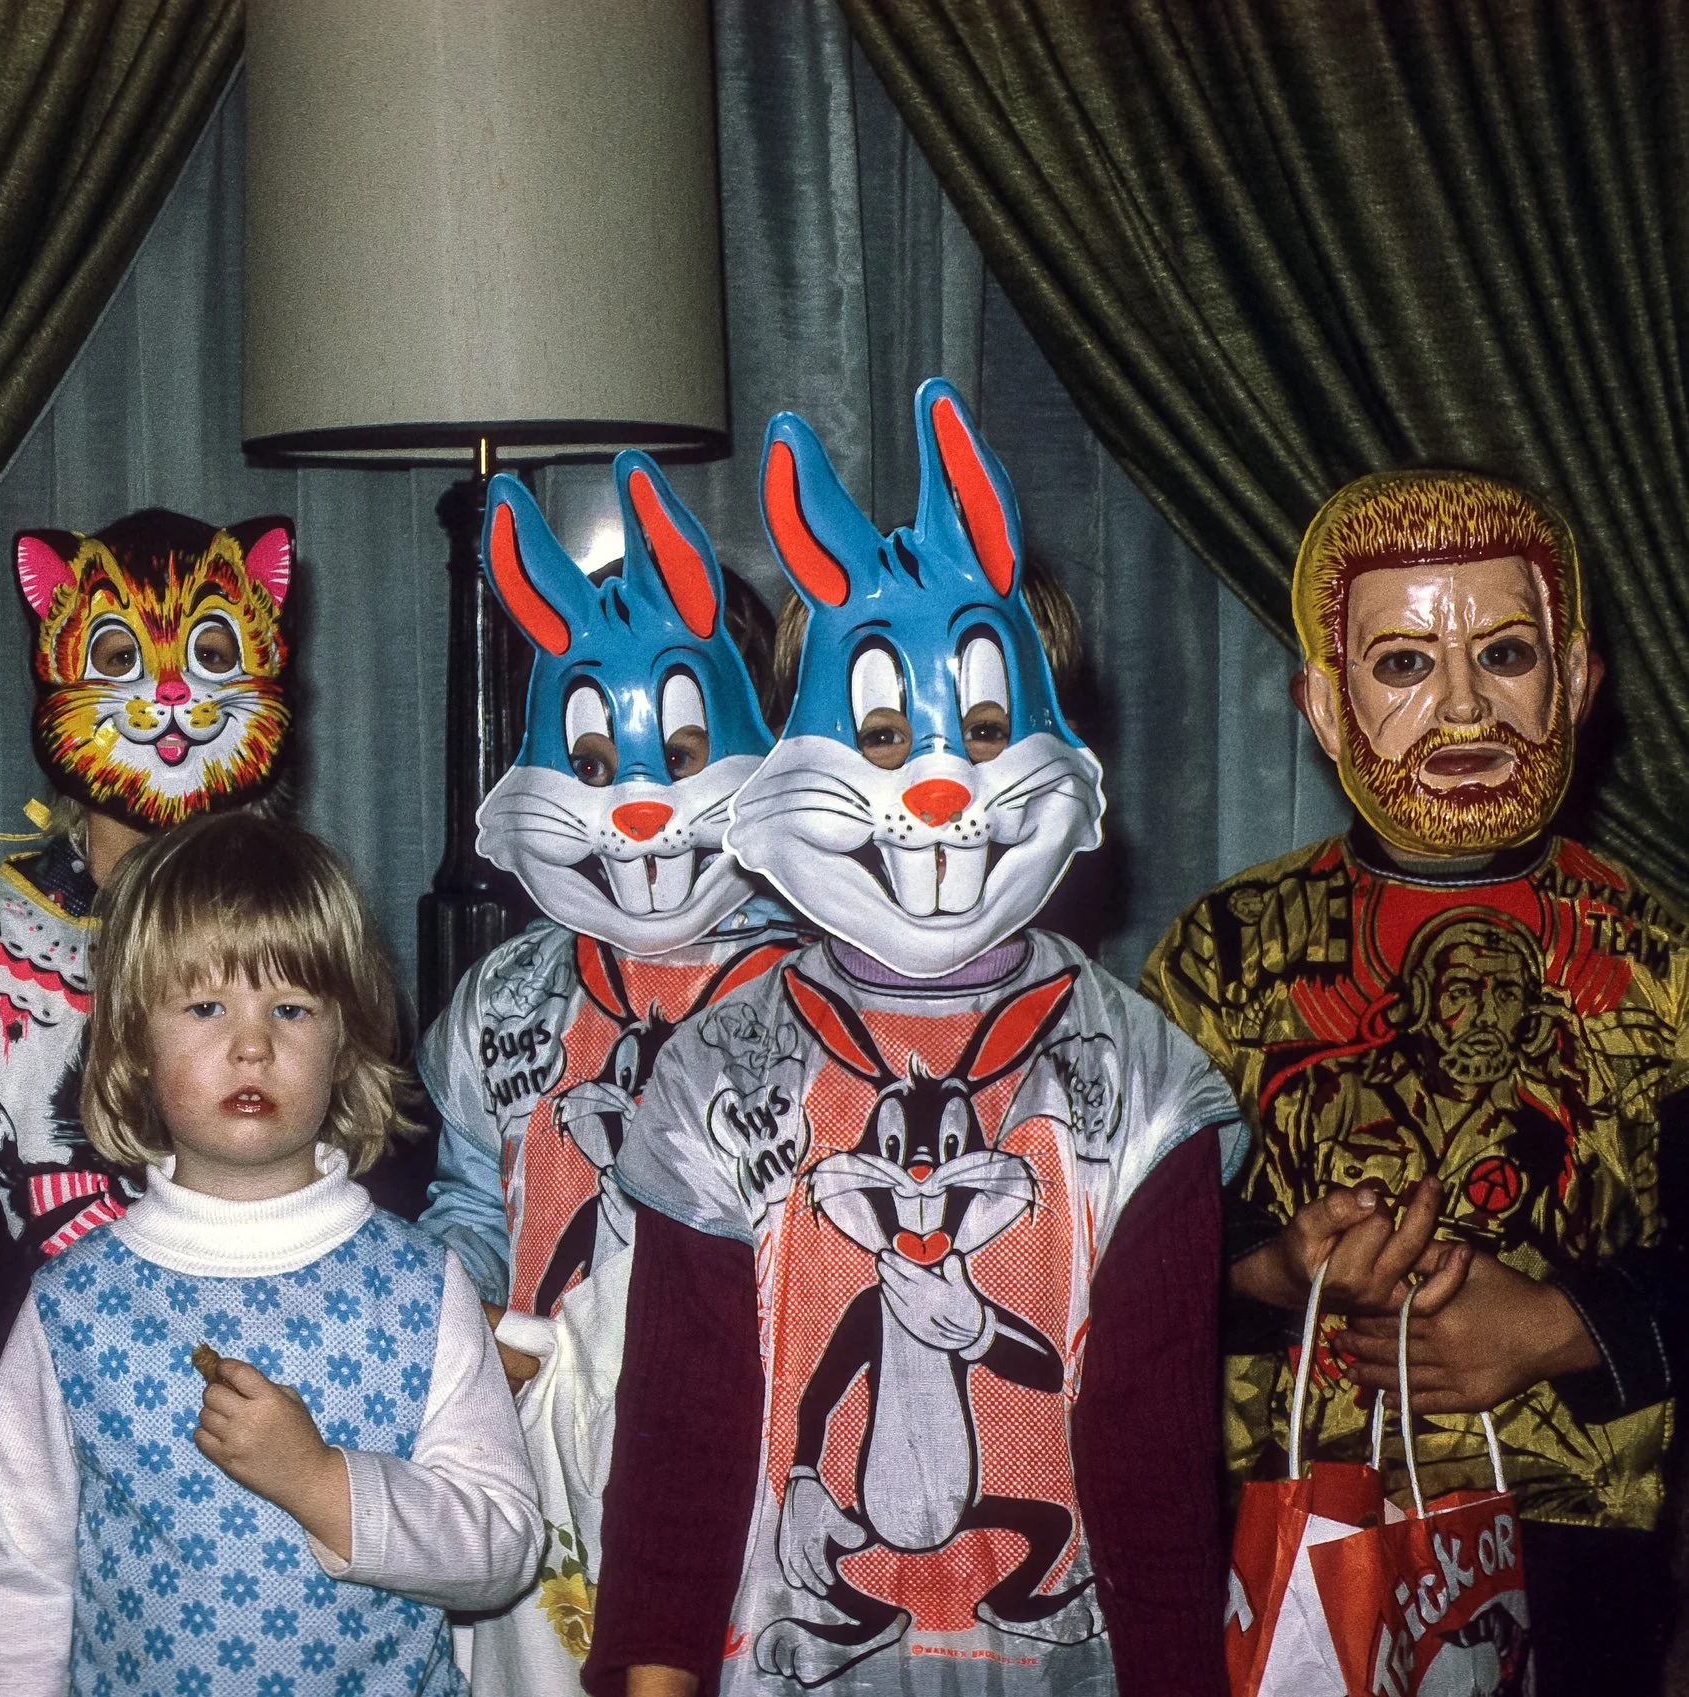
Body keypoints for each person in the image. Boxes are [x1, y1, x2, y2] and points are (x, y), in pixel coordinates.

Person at [585, 384, 1244, 1697]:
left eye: (984, 729)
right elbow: (677, 1440)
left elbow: (1160, 1465)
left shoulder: (1144, 1088)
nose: (934, 782)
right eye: (880, 733)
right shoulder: (714, 1079)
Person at [1143, 468, 1685, 1696]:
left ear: (1575, 681)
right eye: (1401, 664)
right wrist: (1273, 1272)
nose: (1461, 706)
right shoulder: (1224, 955)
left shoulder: (1661, 960)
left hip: (1576, 1545)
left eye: (1504, 653)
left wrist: (1559, 1325)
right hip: (1286, 1533)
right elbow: (1112, 1250)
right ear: (1326, 709)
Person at [0, 813, 543, 1695]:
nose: (253, 1043)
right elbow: (18, 1587)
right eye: (205, 1007)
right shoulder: (72, 1306)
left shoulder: (422, 1288)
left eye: (291, 1008)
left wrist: (320, 1482)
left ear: (345, 1045)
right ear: (132, 1046)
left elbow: (503, 1545)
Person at [417, 451, 804, 1687]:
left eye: (684, 751)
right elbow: (471, 1201)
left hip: (742, 1439)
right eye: (593, 765)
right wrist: (458, 1318)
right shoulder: (507, 998)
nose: (638, 797)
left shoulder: (816, 997)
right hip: (541, 1432)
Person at [0, 507, 296, 1449]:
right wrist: (26, 1431)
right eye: (121, 657)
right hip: (43, 1397)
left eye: (210, 653)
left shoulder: (300, 924)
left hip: (279, 1399)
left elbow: (369, 1180)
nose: (168, 693)